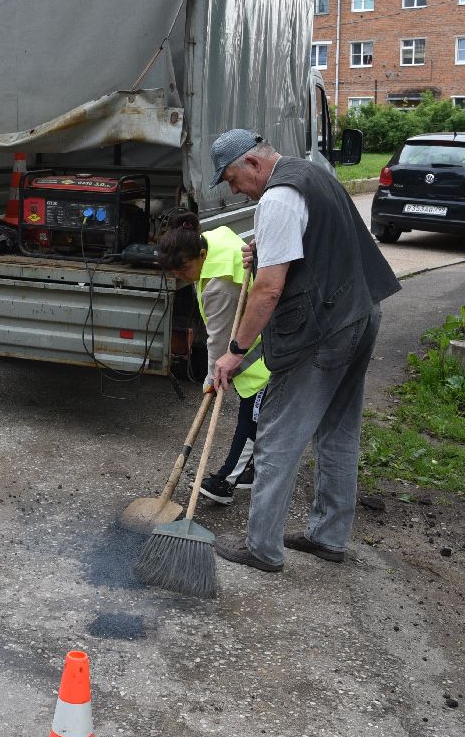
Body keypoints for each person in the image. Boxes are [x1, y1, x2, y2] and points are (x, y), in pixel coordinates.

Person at [207, 130, 400, 572]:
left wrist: (235, 350)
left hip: (323, 327)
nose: (233, 189)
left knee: (277, 433)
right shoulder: (312, 173)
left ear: (253, 165)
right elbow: (315, 244)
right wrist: (269, 249)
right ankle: (328, 536)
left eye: (233, 179)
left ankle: (262, 547)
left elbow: (269, 290)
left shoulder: (277, 198)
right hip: (361, 312)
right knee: (338, 431)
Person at [154, 212, 270, 505]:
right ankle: (250, 472)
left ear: (201, 254)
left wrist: (210, 380)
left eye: (184, 270)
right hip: (253, 346)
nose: (181, 277)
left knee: (251, 420)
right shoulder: (210, 238)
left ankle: (225, 483)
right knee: (256, 416)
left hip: (263, 358)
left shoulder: (219, 285)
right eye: (175, 273)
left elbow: (219, 341)